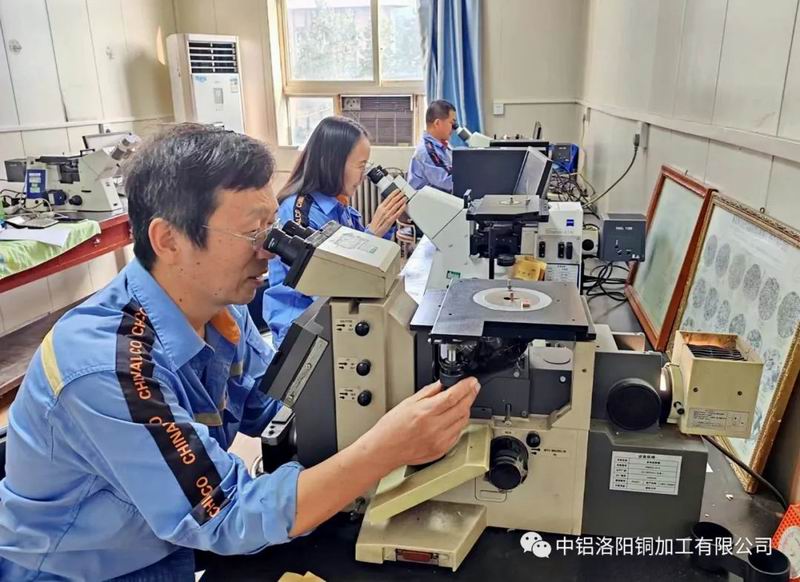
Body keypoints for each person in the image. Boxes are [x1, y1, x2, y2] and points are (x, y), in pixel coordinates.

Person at [0, 124, 479, 581]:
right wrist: (386, 449)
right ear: (169, 239)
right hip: (88, 572)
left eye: (272, 227)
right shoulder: (107, 367)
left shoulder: (220, 314)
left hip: (165, 545)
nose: (269, 250)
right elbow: (224, 513)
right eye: (253, 233)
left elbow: (273, 405)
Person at [264, 116, 406, 347]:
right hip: (305, 332)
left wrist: (387, 225)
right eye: (360, 166)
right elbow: (328, 283)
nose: (363, 177)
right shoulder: (299, 214)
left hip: (335, 318)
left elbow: (365, 262)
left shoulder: (339, 207)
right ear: (332, 163)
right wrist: (373, 233)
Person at [407, 99, 458, 193]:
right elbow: (447, 182)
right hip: (427, 201)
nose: (454, 128)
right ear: (437, 123)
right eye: (452, 123)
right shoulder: (427, 151)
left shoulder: (442, 147)